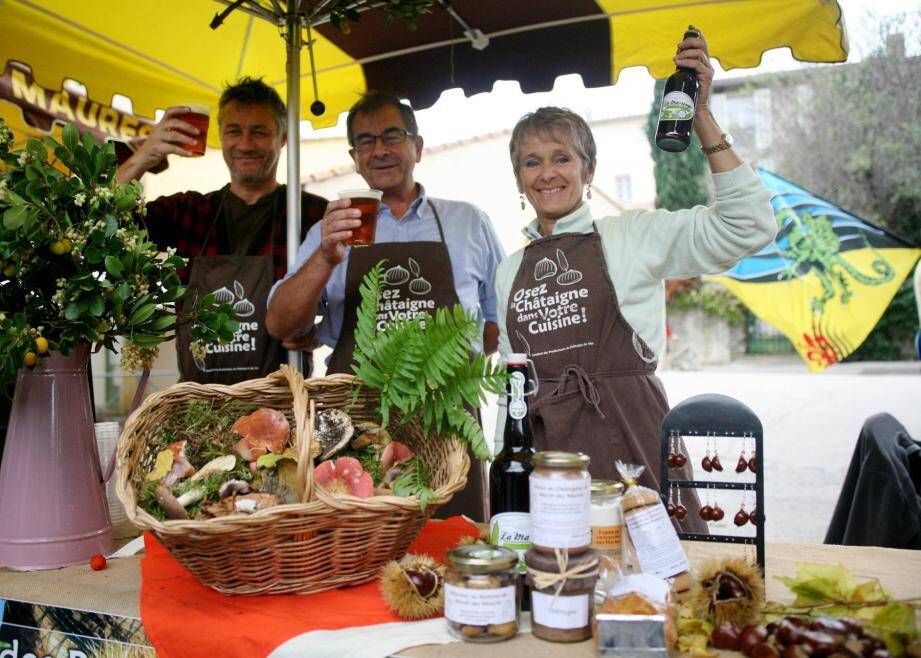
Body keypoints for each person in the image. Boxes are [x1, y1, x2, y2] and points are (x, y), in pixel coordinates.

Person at [493, 31, 776, 533]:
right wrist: (507, 483)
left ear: (589, 168)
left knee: (667, 590)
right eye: (531, 162)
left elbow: (748, 225)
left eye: (562, 157)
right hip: (550, 470)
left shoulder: (634, 235)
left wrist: (702, 116)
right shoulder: (508, 270)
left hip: (634, 446)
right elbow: (510, 389)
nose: (546, 174)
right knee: (563, 593)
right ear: (518, 179)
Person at [266, 91, 506, 521]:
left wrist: (449, 367)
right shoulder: (334, 229)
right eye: (365, 141)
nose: (379, 150)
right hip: (356, 424)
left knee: (457, 544)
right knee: (360, 548)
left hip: (449, 420)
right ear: (355, 158)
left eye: (391, 136)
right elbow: (278, 322)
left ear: (417, 146)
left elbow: (497, 323)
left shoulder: (468, 222)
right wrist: (324, 258)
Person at [116, 77, 327, 384]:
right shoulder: (188, 212)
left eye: (259, 132)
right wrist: (144, 156)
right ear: (220, 136)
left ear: (282, 138)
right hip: (200, 406)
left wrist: (321, 332)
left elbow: (352, 294)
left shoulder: (312, 214)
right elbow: (103, 221)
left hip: (284, 407)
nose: (244, 144)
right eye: (234, 131)